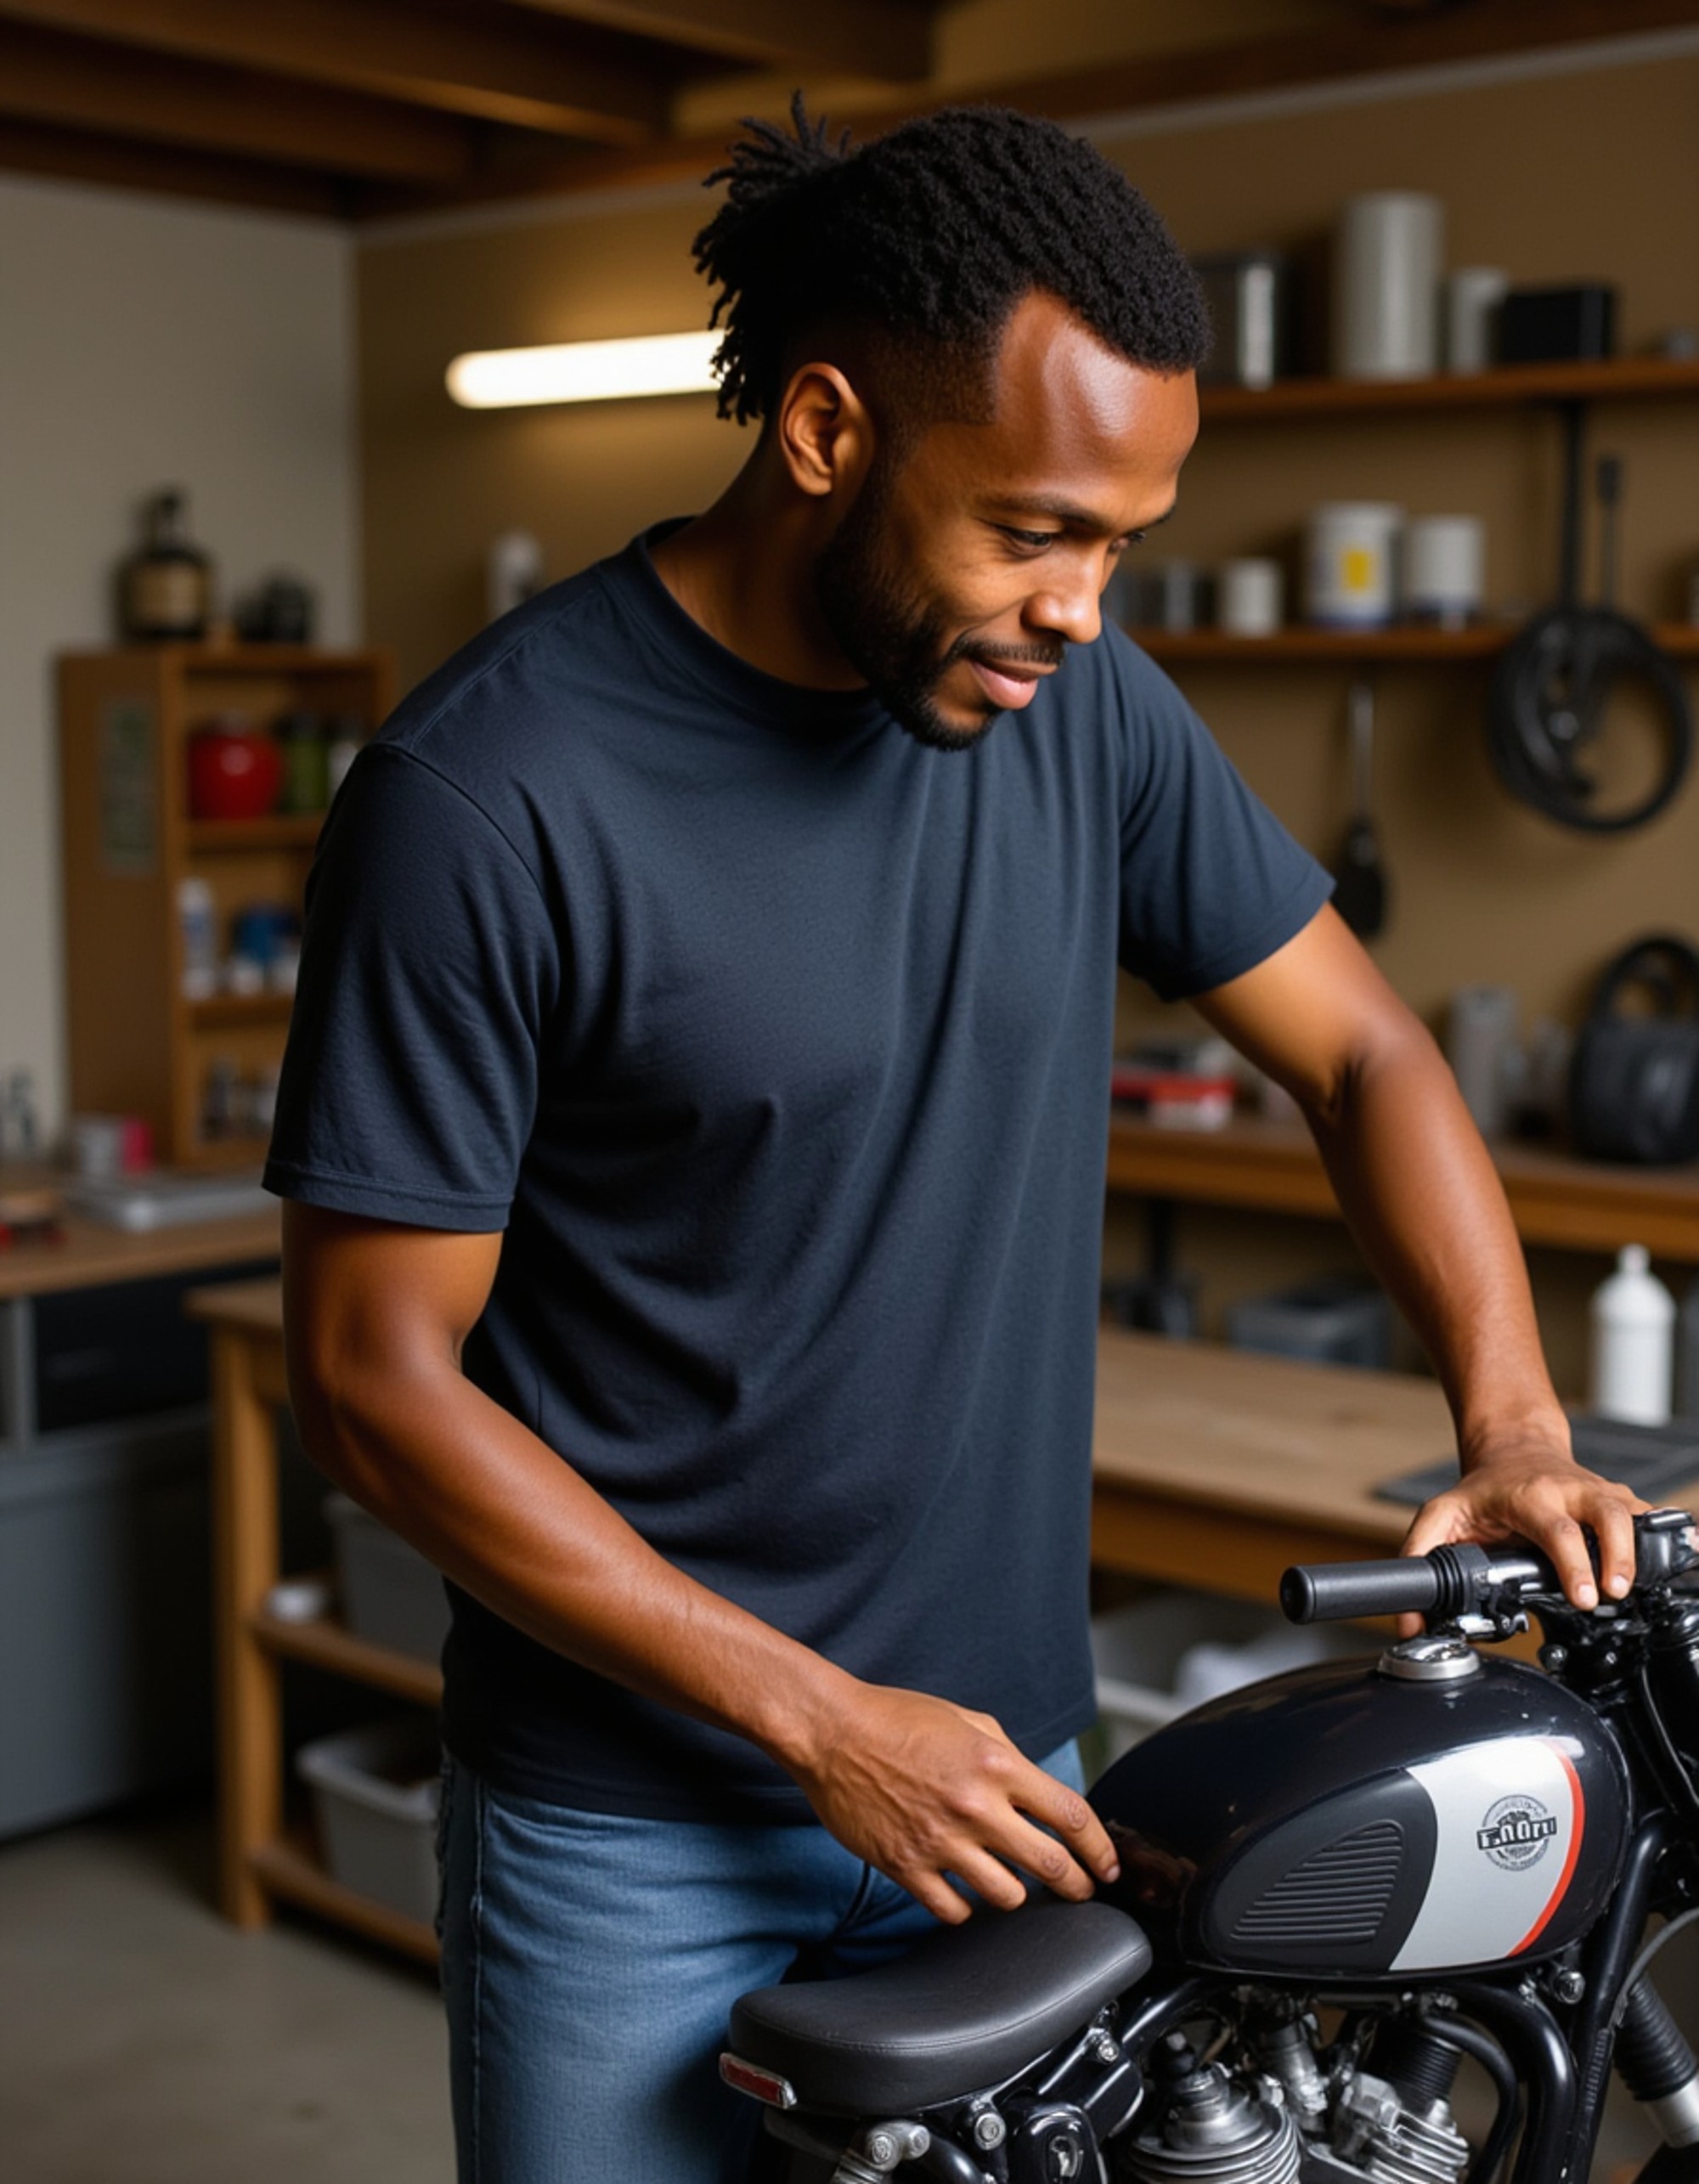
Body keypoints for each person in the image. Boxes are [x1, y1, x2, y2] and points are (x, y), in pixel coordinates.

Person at [268, 99, 1640, 2184]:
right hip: (633, 1834)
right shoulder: (487, 797)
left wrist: (1519, 1412)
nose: (1083, 604)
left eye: (1122, 540)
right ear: (825, 431)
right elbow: (374, 1383)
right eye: (1032, 530)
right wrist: (822, 1720)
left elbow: (1362, 1053)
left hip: (1006, 1785)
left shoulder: (1081, 708)